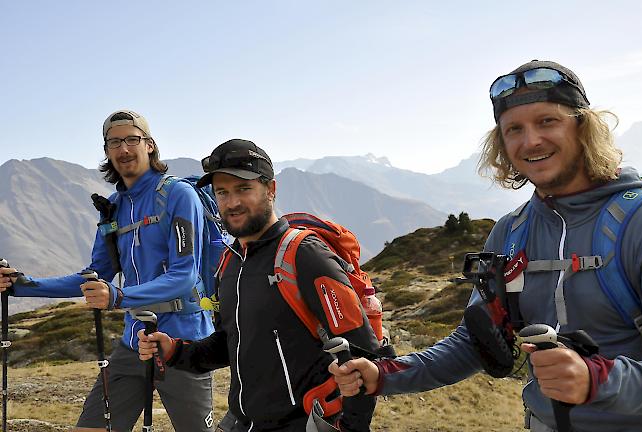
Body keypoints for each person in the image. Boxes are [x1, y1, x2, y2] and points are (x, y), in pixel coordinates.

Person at [328, 60, 642, 432]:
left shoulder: (638, 222)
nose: (530, 141)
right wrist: (382, 374)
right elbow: (474, 344)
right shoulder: (512, 232)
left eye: (547, 121)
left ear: (584, 127)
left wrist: (598, 379)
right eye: (514, 129)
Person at [138, 138, 382, 432]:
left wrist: (351, 427)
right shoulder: (230, 263)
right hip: (243, 422)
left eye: (244, 188)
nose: (232, 202)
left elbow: (363, 355)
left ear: (271, 190)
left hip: (305, 424)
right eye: (222, 192)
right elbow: (232, 342)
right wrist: (176, 351)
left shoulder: (305, 255)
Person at [0, 110, 216, 431]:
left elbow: (184, 277)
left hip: (183, 342)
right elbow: (92, 278)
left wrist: (117, 295)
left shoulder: (177, 195)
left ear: (150, 145)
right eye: (114, 142)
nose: (124, 149)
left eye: (132, 139)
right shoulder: (113, 207)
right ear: (107, 151)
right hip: (133, 343)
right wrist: (21, 286)